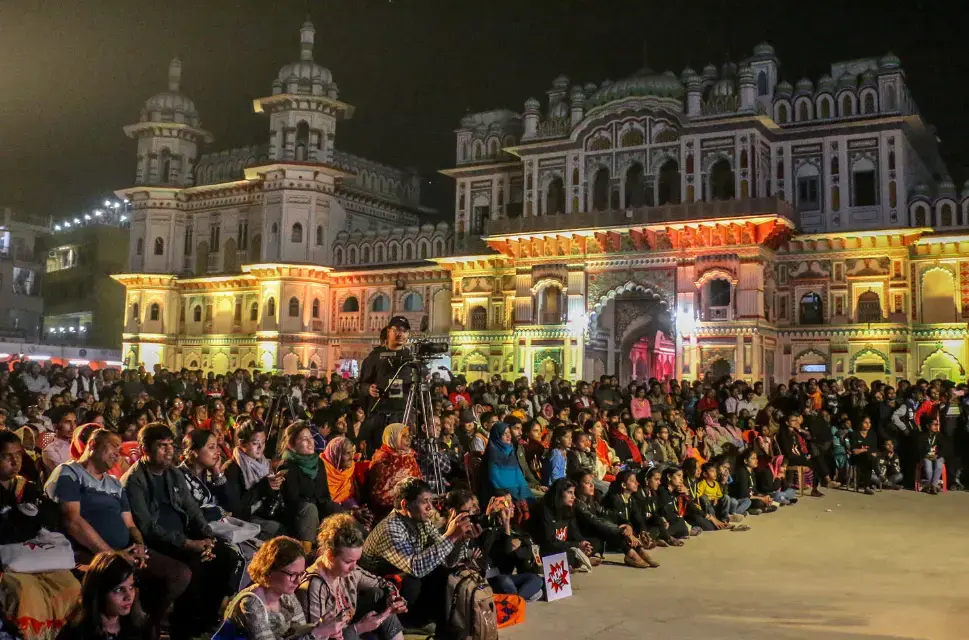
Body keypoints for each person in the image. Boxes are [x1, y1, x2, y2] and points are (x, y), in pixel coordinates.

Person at [44, 427, 189, 639]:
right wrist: (112, 555)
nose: (118, 454)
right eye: (113, 446)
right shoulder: (69, 472)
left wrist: (138, 544)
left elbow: (130, 524)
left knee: (179, 573)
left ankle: (149, 623)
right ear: (92, 445)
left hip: (124, 550)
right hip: (89, 553)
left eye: (120, 449)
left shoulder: (113, 483)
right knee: (120, 578)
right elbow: (72, 521)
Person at [122, 423, 242, 638]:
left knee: (226, 556)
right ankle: (183, 629)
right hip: (158, 543)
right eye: (162, 446)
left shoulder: (173, 473)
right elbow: (148, 528)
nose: (169, 451)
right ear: (144, 449)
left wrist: (207, 536)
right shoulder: (134, 481)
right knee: (195, 563)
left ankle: (204, 620)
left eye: (171, 445)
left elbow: (192, 509)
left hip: (183, 535)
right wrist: (189, 544)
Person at [360, 478, 479, 629]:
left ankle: (434, 622)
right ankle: (407, 625)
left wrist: (462, 538)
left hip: (403, 580)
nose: (430, 507)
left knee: (444, 572)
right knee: (413, 581)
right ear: (405, 504)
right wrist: (451, 537)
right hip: (377, 590)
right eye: (425, 502)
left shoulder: (422, 521)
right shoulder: (391, 528)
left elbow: (448, 560)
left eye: (431, 501)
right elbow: (416, 567)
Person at [300, 513, 407, 640]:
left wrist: (393, 597)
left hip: (350, 629)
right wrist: (359, 628)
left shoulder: (351, 571)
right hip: (334, 637)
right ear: (329, 556)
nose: (353, 567)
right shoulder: (314, 584)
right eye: (348, 562)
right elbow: (317, 636)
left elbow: (383, 583)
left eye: (356, 561)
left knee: (380, 597)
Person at [224, 536, 346, 640]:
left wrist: (321, 627)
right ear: (270, 570)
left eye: (301, 574)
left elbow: (297, 631)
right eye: (292, 575)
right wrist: (318, 633)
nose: (298, 581)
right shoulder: (251, 603)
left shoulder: (286, 594)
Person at [571, 472, 657, 569]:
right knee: (614, 531)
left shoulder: (592, 502)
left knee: (618, 529)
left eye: (592, 482)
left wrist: (628, 526)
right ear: (577, 486)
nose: (592, 485)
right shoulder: (578, 505)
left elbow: (609, 514)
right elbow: (597, 521)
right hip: (583, 541)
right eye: (587, 483)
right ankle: (631, 554)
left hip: (596, 540)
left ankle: (638, 550)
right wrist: (622, 531)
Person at [55, 551, 146, 640]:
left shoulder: (138, 626)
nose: (129, 597)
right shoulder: (76, 634)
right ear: (99, 592)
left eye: (131, 587)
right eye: (119, 590)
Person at [357, 318, 412, 456]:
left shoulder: (411, 358)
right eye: (396, 330)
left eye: (404, 331)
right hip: (378, 417)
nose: (400, 334)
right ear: (388, 331)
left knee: (401, 458)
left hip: (402, 416)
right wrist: (368, 389)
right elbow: (359, 386)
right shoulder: (374, 357)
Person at [222, 421, 286, 537]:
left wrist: (276, 484)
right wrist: (264, 486)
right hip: (245, 518)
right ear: (242, 443)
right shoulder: (232, 468)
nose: (261, 447)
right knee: (278, 529)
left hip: (264, 511)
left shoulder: (263, 462)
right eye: (255, 443)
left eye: (263, 442)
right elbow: (236, 507)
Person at [279, 423, 339, 546]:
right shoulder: (287, 465)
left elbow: (325, 494)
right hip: (299, 515)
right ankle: (305, 555)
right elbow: (292, 501)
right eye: (304, 439)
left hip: (318, 510)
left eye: (311, 437)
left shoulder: (319, 463)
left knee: (334, 507)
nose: (311, 442)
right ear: (291, 445)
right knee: (310, 509)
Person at [367, 424, 423, 519]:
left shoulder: (409, 456)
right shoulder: (382, 460)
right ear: (392, 438)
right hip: (390, 512)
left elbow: (419, 481)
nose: (408, 438)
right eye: (403, 435)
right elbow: (379, 496)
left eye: (409, 435)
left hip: (412, 504)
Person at [483, 422, 535, 502]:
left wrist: (523, 489)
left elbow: (519, 476)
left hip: (519, 489)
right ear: (497, 437)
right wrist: (514, 495)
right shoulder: (492, 455)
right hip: (504, 494)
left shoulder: (510, 451)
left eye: (509, 433)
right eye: (504, 434)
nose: (508, 436)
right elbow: (496, 482)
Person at [321, 436, 361, 507]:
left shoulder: (350, 468)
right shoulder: (321, 470)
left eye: (352, 452)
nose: (351, 457)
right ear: (336, 454)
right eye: (347, 453)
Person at [41, 407, 77, 474]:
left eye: (74, 422)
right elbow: (67, 474)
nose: (73, 427)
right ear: (55, 426)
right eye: (67, 422)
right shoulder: (50, 450)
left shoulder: (78, 444)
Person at [919, 416, 945, 494]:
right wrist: (925, 455)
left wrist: (937, 455)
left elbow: (945, 449)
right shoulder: (922, 436)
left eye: (937, 424)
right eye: (934, 424)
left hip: (937, 456)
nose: (936, 426)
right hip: (927, 456)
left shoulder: (940, 436)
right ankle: (934, 486)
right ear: (928, 426)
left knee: (939, 464)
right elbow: (918, 449)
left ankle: (932, 485)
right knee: (928, 466)